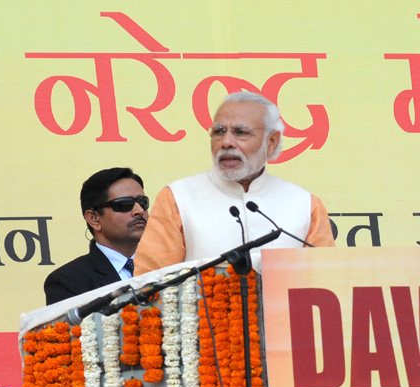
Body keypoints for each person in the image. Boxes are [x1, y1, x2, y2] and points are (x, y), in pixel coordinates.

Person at [134, 91, 334, 274]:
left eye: (241, 132)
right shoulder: (178, 198)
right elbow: (149, 283)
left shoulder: (304, 204)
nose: (226, 142)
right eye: (219, 131)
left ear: (271, 142)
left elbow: (324, 280)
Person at [44, 167, 149, 304]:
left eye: (143, 202)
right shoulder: (68, 281)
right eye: (124, 204)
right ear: (94, 218)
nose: (139, 211)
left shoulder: (169, 265)